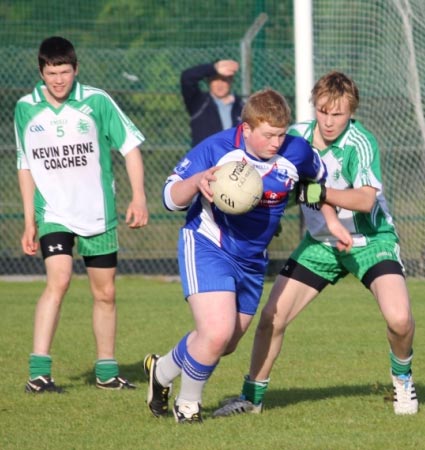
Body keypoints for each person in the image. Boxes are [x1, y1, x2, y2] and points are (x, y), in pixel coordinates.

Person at [212, 71, 419, 418]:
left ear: (350, 111)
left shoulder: (361, 142)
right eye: (322, 111)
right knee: (271, 319)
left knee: (399, 320)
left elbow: (366, 199)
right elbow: (281, 186)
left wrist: (322, 192)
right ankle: (251, 399)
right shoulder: (296, 138)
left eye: (337, 114)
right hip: (320, 244)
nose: (328, 120)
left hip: (369, 241)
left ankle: (402, 379)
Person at [143, 87, 352, 423]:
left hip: (253, 259)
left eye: (282, 134)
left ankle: (161, 370)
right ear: (248, 128)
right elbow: (169, 196)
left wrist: (331, 222)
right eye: (269, 135)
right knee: (214, 333)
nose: (277, 142)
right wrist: (196, 181)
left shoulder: (296, 151)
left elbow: (317, 183)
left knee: (224, 344)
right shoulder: (218, 147)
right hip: (208, 243)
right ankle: (188, 405)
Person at [15, 36, 148, 393]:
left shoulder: (97, 101)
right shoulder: (25, 107)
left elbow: (131, 147)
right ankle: (39, 373)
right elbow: (25, 165)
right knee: (57, 281)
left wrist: (139, 197)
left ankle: (106, 372)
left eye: (65, 71)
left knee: (104, 293)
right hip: (53, 212)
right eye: (51, 72)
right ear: (41, 71)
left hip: (97, 214)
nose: (58, 80)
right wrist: (29, 220)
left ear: (76, 69)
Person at [180, 59, 245, 146]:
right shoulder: (199, 102)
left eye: (224, 80)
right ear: (209, 81)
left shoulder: (241, 106)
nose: (219, 84)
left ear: (231, 81)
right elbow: (187, 78)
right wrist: (213, 68)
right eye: (215, 79)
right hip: (206, 159)